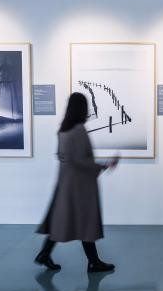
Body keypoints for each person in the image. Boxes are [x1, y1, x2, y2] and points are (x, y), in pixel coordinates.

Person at [35, 92, 119, 273]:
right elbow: (82, 160)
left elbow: (63, 156)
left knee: (64, 219)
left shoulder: (63, 130)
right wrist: (104, 165)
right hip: (80, 185)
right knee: (85, 221)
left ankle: (45, 254)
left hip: (66, 182)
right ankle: (93, 262)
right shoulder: (79, 130)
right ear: (82, 108)